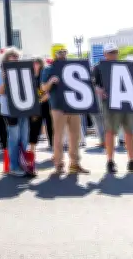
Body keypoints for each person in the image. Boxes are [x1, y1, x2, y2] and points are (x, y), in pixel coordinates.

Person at [93, 43, 133, 174]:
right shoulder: (99, 67)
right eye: (110, 52)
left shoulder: (126, 65)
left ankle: (132, 161)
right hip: (110, 103)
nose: (113, 54)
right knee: (110, 132)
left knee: (130, 131)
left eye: (115, 52)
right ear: (105, 54)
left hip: (127, 101)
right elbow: (93, 84)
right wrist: (99, 90)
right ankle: (110, 161)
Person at [41, 46, 88, 175]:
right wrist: (51, 82)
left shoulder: (72, 67)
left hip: (73, 105)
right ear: (54, 53)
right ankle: (59, 164)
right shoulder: (49, 69)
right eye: (60, 52)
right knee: (59, 136)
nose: (63, 54)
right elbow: (43, 88)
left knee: (75, 136)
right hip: (58, 106)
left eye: (64, 52)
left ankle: (74, 164)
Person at [0, 47, 33, 178]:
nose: (16, 60)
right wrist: (6, 79)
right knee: (14, 138)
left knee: (24, 138)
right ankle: (13, 166)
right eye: (13, 58)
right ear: (6, 59)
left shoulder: (21, 71)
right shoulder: (1, 72)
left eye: (17, 58)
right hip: (9, 110)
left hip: (23, 108)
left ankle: (23, 164)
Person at [28, 57, 53, 154]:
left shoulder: (44, 74)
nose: (35, 65)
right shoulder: (30, 75)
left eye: (37, 63)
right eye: (33, 63)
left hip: (47, 104)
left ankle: (53, 147)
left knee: (50, 126)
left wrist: (40, 100)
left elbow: (49, 92)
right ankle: (32, 150)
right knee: (34, 127)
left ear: (41, 64)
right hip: (35, 106)